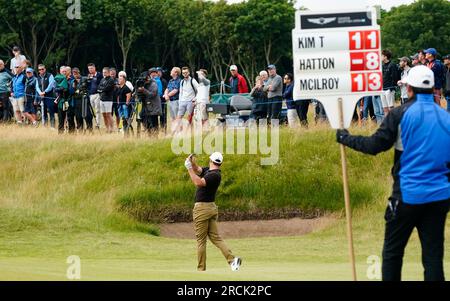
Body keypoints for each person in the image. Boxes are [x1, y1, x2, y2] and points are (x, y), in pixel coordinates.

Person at [336, 65, 450, 281]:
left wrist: (345, 138)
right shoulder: (446, 117)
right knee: (433, 257)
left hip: (407, 195)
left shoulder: (400, 114)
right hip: (439, 197)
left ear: (408, 89)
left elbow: (375, 145)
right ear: (433, 87)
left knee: (392, 254)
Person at [184, 152, 242, 272]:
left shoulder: (214, 175)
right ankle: (232, 261)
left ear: (211, 160)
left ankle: (201, 269)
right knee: (216, 237)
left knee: (201, 241)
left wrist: (189, 168)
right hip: (209, 208)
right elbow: (198, 170)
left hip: (202, 209)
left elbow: (198, 182)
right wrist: (192, 163)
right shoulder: (209, 171)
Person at [175, 67, 199, 134]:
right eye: (183, 73)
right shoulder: (182, 81)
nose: (185, 74)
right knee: (179, 117)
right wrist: (180, 101)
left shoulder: (193, 81)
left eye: (186, 72)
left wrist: (195, 99)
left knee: (189, 118)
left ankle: (190, 132)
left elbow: (199, 90)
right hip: (182, 101)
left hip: (190, 101)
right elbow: (181, 92)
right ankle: (178, 132)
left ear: (189, 72)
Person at [138, 70, 161, 135]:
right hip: (147, 106)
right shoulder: (145, 84)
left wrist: (143, 90)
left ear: (148, 77)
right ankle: (149, 132)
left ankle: (155, 135)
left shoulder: (154, 84)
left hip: (154, 106)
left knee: (154, 122)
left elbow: (152, 94)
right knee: (142, 116)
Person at [71, 67, 93, 133]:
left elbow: (90, 86)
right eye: (74, 73)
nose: (75, 75)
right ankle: (80, 130)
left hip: (84, 99)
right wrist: (73, 86)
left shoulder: (84, 79)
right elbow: (72, 91)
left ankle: (90, 129)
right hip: (76, 100)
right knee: (78, 116)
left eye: (76, 73)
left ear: (79, 72)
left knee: (87, 115)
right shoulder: (73, 81)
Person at [97, 67, 115, 133]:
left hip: (108, 99)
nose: (104, 73)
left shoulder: (111, 80)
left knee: (108, 114)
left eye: (105, 72)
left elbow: (107, 88)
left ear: (108, 72)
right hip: (102, 99)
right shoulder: (102, 79)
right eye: (103, 72)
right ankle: (107, 128)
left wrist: (101, 89)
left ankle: (112, 128)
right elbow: (98, 87)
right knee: (104, 115)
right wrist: (101, 89)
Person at [381, 50, 399, 115]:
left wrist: (392, 88)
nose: (380, 57)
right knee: (385, 108)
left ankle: (393, 123)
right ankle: (387, 123)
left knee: (391, 107)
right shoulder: (382, 66)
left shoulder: (392, 65)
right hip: (383, 89)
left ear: (385, 57)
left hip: (389, 89)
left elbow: (395, 77)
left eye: (382, 56)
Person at [117, 71, 133, 136]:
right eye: (119, 79)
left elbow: (128, 95)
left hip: (124, 105)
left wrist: (126, 103)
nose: (119, 80)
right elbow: (118, 96)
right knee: (121, 116)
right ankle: (121, 127)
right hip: (120, 105)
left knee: (126, 117)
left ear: (124, 80)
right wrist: (118, 103)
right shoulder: (119, 87)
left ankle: (127, 122)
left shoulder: (126, 87)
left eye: (120, 79)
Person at [87, 63, 103, 129]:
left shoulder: (99, 75)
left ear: (94, 68)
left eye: (91, 68)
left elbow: (101, 84)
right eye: (89, 69)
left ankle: (98, 124)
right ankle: (91, 123)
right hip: (91, 95)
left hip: (97, 94)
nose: (90, 70)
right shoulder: (88, 75)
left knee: (97, 110)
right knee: (91, 110)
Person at [54, 66, 69, 134]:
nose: (64, 73)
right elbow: (54, 89)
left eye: (65, 71)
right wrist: (62, 88)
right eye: (63, 71)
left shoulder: (69, 79)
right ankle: (60, 132)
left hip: (69, 100)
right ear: (60, 72)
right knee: (61, 118)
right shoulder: (57, 79)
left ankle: (71, 132)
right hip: (61, 101)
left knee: (69, 118)